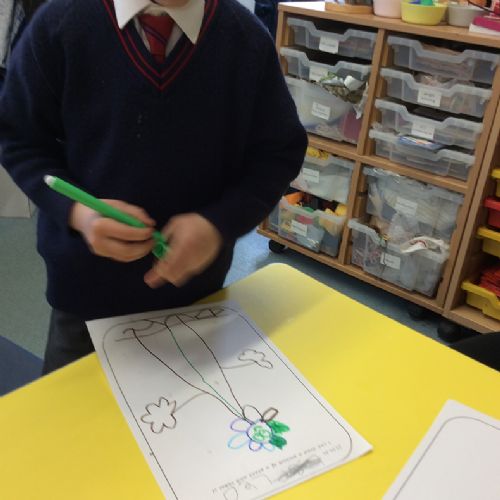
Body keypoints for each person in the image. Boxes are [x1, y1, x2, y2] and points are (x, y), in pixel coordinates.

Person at [0, 0, 307, 374]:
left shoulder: (245, 40)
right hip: (85, 303)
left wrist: (218, 224)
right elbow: (19, 139)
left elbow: (278, 153)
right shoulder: (60, 24)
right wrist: (79, 214)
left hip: (196, 298)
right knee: (72, 408)